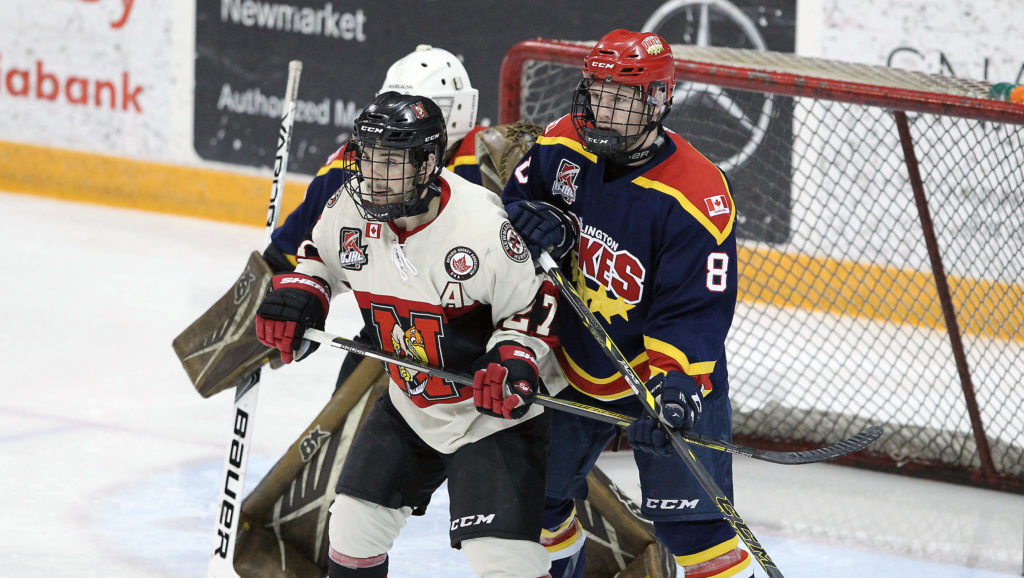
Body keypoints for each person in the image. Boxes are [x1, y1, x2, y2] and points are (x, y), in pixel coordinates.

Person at [254, 92, 559, 578]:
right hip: (411, 404)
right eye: (370, 158)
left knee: (501, 561)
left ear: (429, 163)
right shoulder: (349, 207)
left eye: (393, 161)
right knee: (352, 532)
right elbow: (319, 257)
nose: (375, 174)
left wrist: (514, 359)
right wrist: (302, 293)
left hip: (491, 416)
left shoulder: (481, 225)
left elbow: (531, 304)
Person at [502, 29, 750, 578]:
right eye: (596, 91)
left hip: (663, 377)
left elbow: (693, 311)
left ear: (658, 102)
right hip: (574, 359)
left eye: (621, 97)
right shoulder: (563, 140)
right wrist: (529, 221)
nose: (601, 108)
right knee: (535, 504)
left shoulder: (695, 193)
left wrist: (678, 388)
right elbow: (516, 202)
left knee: (697, 534)